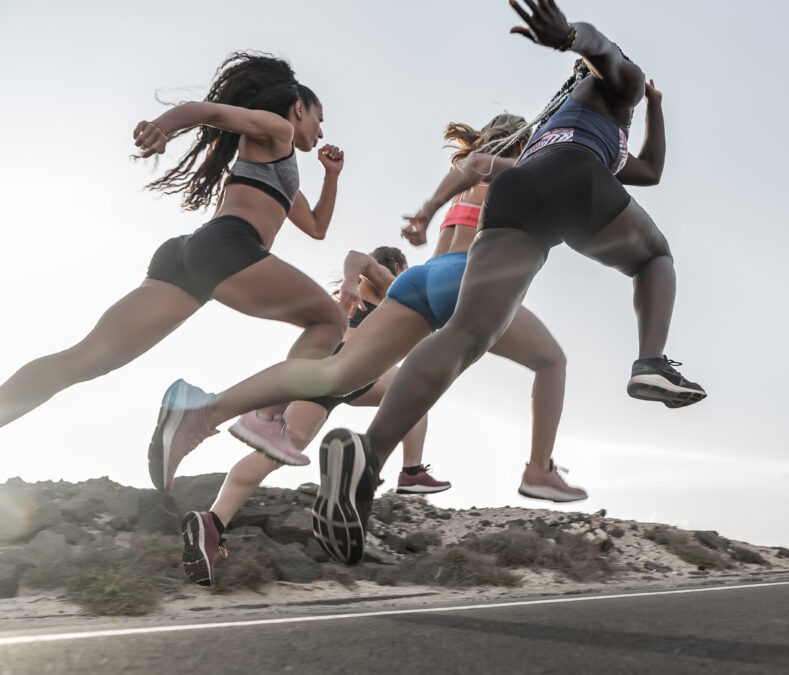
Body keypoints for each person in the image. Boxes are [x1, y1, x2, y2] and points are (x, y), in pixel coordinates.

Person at [317, 0, 706, 560]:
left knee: (464, 336)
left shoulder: (571, 123)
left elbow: (649, 170)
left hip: (521, 192)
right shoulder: (625, 82)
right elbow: (601, 46)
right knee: (654, 257)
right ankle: (651, 364)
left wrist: (657, 111)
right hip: (575, 182)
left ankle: (367, 459)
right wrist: (573, 37)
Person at [157, 112, 583, 565]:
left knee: (335, 374)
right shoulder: (515, 172)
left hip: (421, 279)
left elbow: (470, 167)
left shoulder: (473, 178)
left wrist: (424, 213)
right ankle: (535, 468)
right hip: (469, 279)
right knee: (548, 361)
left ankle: (204, 410)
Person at [0, 52, 348, 490]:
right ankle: (265, 417)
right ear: (299, 107)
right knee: (331, 321)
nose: (321, 130)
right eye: (319, 117)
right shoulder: (277, 129)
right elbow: (212, 112)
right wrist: (164, 127)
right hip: (228, 248)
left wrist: (331, 176)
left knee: (84, 360)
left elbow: (316, 228)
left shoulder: (281, 162)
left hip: (188, 257)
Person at [180, 246, 449, 586]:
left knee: (278, 449)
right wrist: (354, 279)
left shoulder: (369, 293)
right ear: (396, 264)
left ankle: (212, 523)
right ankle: (409, 471)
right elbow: (357, 255)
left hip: (326, 367)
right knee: (415, 390)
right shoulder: (391, 281)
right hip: (351, 362)